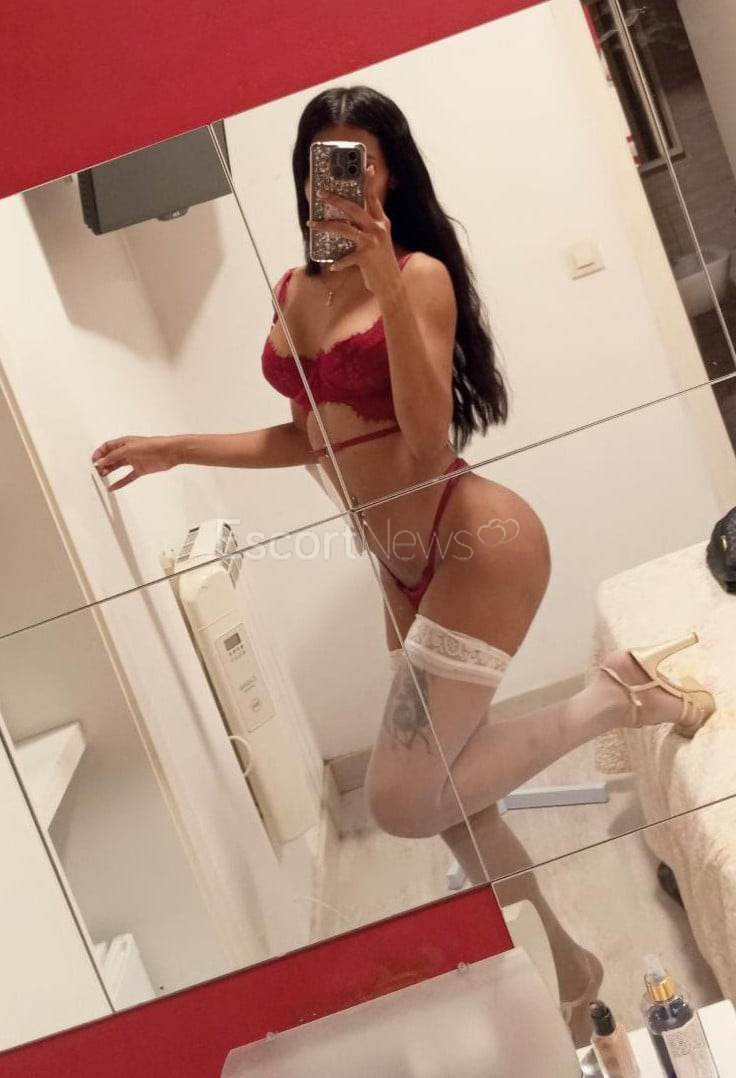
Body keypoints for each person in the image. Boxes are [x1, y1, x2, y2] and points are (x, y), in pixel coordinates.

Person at [91, 85, 715, 1044]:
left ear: (390, 174)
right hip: (400, 565)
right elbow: (310, 436)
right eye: (324, 159)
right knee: (456, 798)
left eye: (362, 161)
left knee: (401, 799)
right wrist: (178, 447)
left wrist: (385, 281)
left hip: (474, 541)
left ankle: (612, 697)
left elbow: (424, 442)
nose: (339, 179)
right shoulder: (292, 291)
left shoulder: (419, 277)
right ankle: (564, 959)